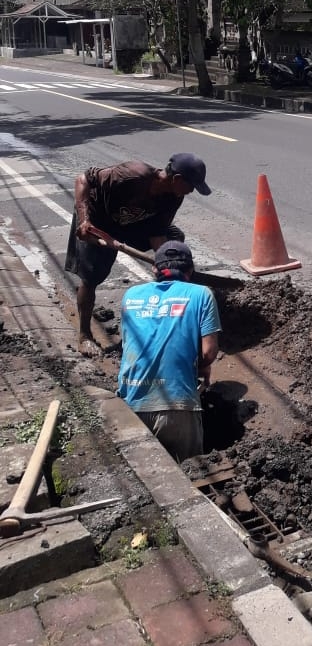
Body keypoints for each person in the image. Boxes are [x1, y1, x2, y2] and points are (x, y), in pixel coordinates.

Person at [64, 153, 212, 357]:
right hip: (98, 221)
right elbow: (83, 179)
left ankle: (163, 307)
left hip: (131, 223)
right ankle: (85, 335)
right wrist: (84, 219)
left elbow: (158, 232)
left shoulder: (173, 198)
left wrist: (167, 263)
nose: (191, 191)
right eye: (191, 186)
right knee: (92, 277)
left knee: (174, 241)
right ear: (177, 179)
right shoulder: (133, 175)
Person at [118, 242, 220, 462]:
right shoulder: (201, 294)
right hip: (177, 406)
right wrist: (201, 367)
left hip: (129, 406)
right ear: (190, 270)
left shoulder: (131, 295)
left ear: (154, 269)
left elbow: (129, 344)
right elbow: (209, 351)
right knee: (190, 473)